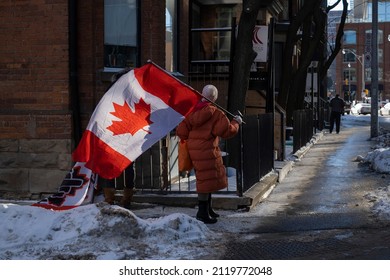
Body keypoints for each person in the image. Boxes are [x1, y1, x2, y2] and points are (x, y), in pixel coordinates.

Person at [176, 84, 242, 224]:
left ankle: (208, 209)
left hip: (194, 150)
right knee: (206, 180)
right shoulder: (216, 113)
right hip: (207, 149)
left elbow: (181, 132)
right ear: (214, 98)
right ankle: (202, 213)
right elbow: (227, 131)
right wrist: (236, 122)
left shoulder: (191, 111)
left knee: (205, 179)